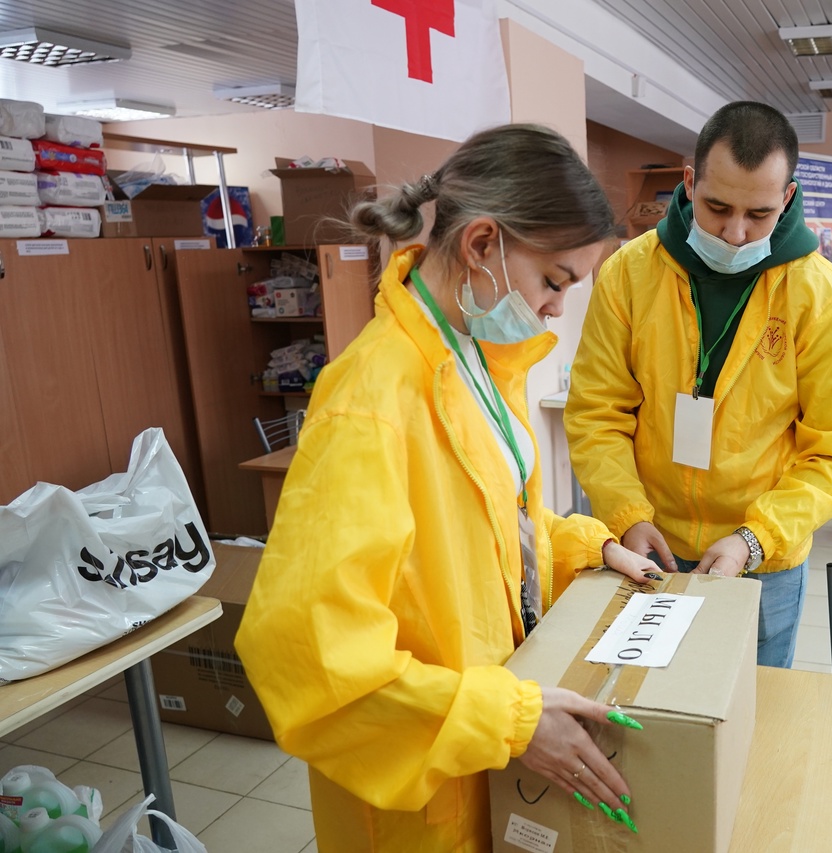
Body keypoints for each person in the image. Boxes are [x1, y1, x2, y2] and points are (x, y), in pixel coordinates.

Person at [234, 124, 662, 853]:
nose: (558, 308)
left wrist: (588, 545)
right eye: (555, 281)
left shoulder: (473, 359)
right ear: (483, 245)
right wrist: (507, 721)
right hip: (420, 798)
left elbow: (482, 536)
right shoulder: (371, 401)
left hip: (483, 753)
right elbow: (307, 651)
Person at [565, 101, 832, 669]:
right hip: (648, 542)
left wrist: (755, 539)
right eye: (716, 207)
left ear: (786, 199)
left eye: (758, 214)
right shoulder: (630, 273)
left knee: (746, 716)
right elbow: (596, 413)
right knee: (650, 711)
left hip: (761, 558)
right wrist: (627, 514)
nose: (735, 233)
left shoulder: (820, 295)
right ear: (688, 183)